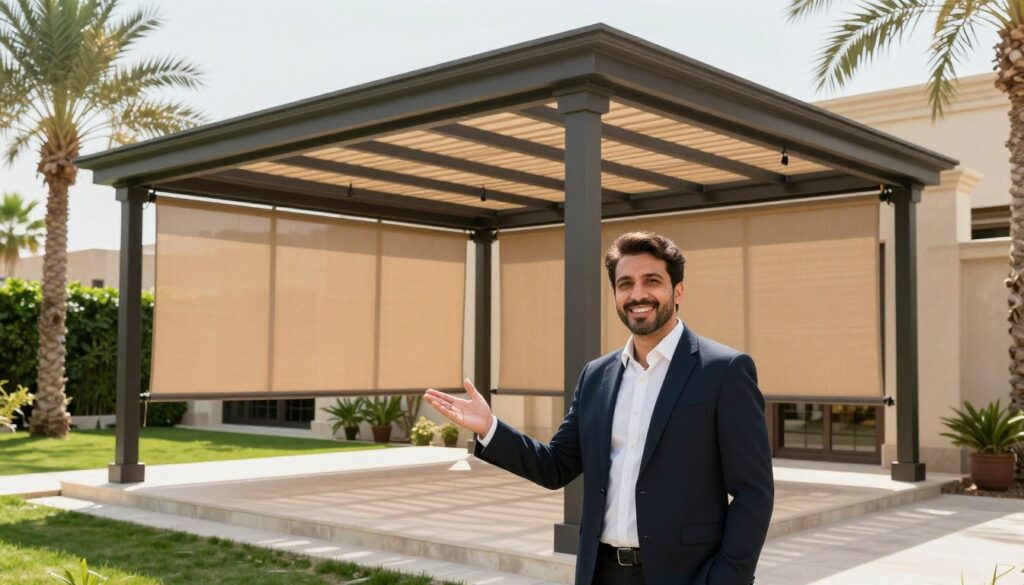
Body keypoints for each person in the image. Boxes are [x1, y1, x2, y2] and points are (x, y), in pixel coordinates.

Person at [424, 231, 774, 585]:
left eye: (652, 281)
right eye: (626, 284)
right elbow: (555, 466)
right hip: (600, 572)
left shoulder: (723, 371)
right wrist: (490, 428)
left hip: (686, 574)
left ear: (678, 290)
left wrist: (726, 579)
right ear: (615, 295)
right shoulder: (596, 376)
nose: (638, 294)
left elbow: (754, 492)